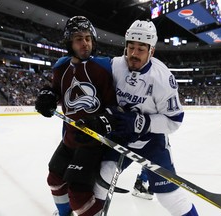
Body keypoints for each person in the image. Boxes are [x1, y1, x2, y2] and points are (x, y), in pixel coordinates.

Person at [77, 20, 199, 216]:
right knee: (102, 179)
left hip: (150, 141)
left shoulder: (162, 78)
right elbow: (80, 66)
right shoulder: (115, 65)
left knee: (170, 198)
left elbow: (174, 121)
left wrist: (142, 123)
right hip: (120, 136)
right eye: (130, 47)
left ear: (152, 51)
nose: (133, 54)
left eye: (141, 49)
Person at [35, 16, 118, 216]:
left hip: (92, 142)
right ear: (69, 43)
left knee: (78, 194)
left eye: (88, 38)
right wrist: (48, 96)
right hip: (70, 138)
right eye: (79, 38)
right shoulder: (60, 67)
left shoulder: (103, 68)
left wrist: (102, 122)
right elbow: (56, 90)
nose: (85, 43)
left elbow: (116, 108)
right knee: (54, 178)